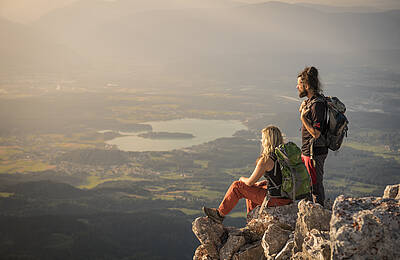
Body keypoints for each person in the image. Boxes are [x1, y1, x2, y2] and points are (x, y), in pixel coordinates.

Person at [202, 126, 292, 223]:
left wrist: (242, 179)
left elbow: (249, 182)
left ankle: (219, 214)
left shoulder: (266, 160)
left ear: (267, 140)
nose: (261, 140)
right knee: (256, 186)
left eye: (263, 138)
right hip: (288, 196)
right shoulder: (286, 155)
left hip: (276, 200)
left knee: (237, 186)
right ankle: (253, 220)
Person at [296, 66, 328, 206]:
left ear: (307, 85)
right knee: (308, 186)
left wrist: (303, 118)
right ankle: (312, 213)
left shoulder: (317, 105)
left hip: (314, 152)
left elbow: (316, 133)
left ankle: (320, 215)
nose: (297, 87)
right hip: (308, 152)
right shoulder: (311, 102)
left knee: (315, 186)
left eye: (299, 84)